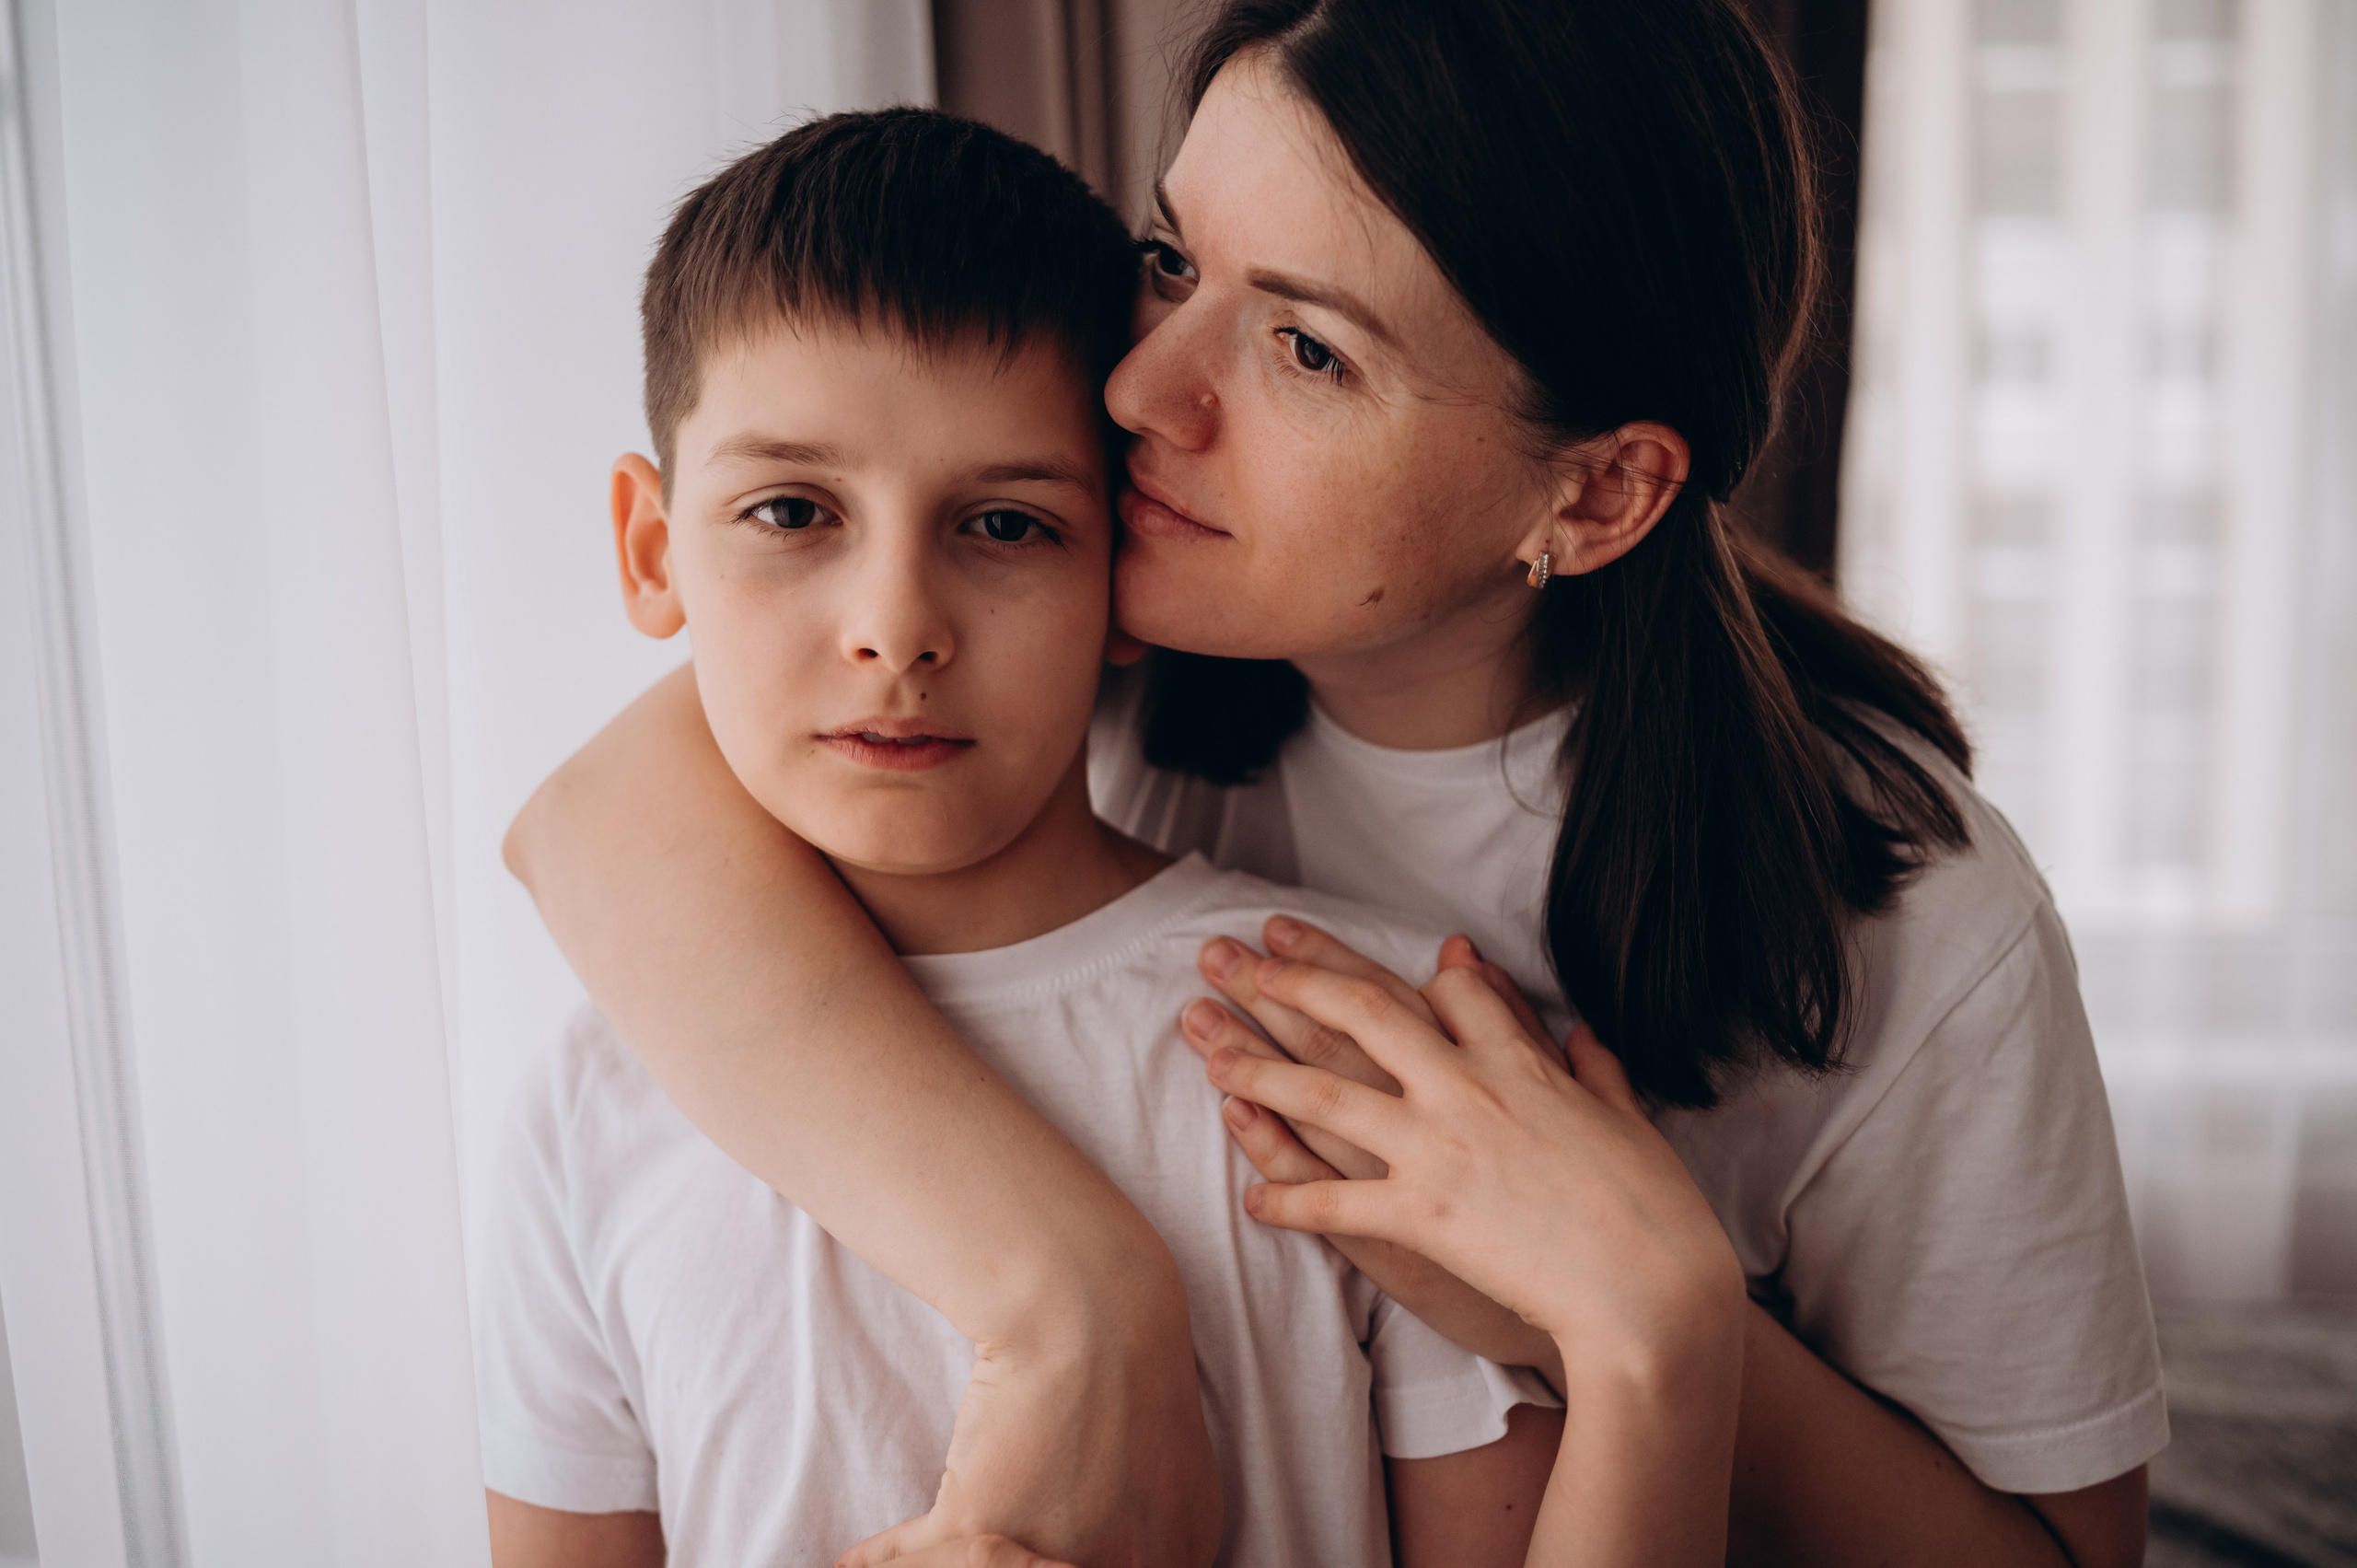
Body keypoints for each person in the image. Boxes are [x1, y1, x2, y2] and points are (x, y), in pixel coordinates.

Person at [504, 2, 2168, 1564]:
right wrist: (1073, 1299)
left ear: (1592, 498)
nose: (1140, 390)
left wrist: (1645, 1317)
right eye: (1174, 260)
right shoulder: (1040, 654)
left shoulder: (1912, 914)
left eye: (1306, 349)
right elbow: (600, 822)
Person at [474, 108, 1583, 1568]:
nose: (896, 631)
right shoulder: (587, 1108)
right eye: (793, 510)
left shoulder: (1352, 1051)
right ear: (650, 549)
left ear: (1128, 563)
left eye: (1003, 527)